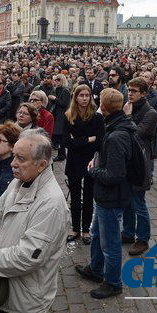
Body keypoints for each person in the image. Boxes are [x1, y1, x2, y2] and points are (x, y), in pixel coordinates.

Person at [0, 129, 69, 313]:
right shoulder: (18, 182)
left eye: (21, 158)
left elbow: (28, 256)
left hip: (25, 301)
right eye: (13, 156)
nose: (13, 164)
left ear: (42, 165)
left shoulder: (51, 204)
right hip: (7, 288)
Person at [75, 88, 136, 299]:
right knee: (97, 234)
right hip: (106, 196)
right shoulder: (115, 125)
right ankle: (95, 268)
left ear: (103, 106)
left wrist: (93, 170)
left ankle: (113, 282)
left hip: (112, 196)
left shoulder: (117, 135)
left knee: (110, 243)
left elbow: (115, 174)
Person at [63, 84, 104, 245]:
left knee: (88, 197)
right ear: (76, 97)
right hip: (73, 161)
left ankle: (86, 230)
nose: (85, 98)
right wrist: (88, 139)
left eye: (87, 95)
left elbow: (99, 141)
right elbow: (67, 143)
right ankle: (75, 229)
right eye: (82, 95)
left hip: (90, 161)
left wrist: (78, 141)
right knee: (75, 198)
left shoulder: (97, 117)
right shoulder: (69, 116)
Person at [121, 78, 157, 256]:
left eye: (134, 91)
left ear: (143, 93)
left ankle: (143, 238)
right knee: (127, 200)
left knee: (138, 203)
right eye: (129, 90)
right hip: (127, 160)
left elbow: (137, 135)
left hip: (141, 163)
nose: (130, 93)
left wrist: (126, 117)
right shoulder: (129, 106)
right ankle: (128, 232)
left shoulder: (150, 113)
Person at [51, 74, 71, 162]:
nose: (56, 81)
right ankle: (61, 154)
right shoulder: (57, 90)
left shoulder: (65, 90)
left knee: (61, 136)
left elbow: (64, 104)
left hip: (62, 116)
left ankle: (61, 155)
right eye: (56, 80)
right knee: (58, 136)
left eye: (58, 80)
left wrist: (55, 99)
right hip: (57, 115)